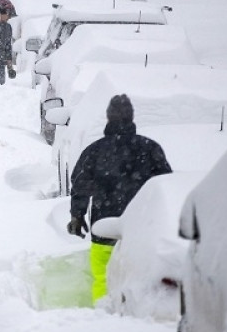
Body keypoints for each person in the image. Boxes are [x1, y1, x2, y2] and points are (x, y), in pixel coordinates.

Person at [67, 94, 173, 304]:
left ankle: (102, 317)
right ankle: (138, 320)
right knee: (140, 282)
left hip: (104, 229)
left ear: (108, 118)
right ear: (132, 118)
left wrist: (77, 215)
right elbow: (166, 186)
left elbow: (80, 184)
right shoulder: (150, 149)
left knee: (103, 279)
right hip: (142, 232)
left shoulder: (95, 151)